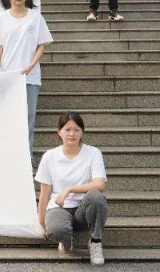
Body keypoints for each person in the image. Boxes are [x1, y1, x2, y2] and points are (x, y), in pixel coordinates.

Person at [0, 0, 53, 153]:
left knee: (28, 119)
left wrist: (31, 65)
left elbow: (42, 45)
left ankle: (27, 158)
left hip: (30, 77)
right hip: (7, 77)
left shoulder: (35, 17)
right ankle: (9, 156)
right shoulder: (2, 19)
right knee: (8, 118)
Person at [35, 111, 108, 266]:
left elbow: (100, 184)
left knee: (96, 197)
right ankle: (66, 241)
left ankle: (95, 242)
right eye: (67, 129)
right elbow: (45, 193)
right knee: (56, 230)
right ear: (59, 132)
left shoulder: (93, 153)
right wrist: (41, 223)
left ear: (82, 132)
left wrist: (70, 189)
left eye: (76, 129)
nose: (72, 134)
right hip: (58, 207)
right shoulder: (50, 156)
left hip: (84, 210)